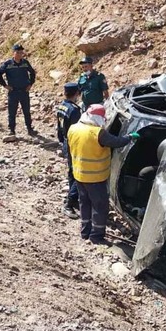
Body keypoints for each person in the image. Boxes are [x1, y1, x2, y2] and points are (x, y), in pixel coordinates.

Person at [67, 104, 139, 244]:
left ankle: (85, 232)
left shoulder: (73, 128)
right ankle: (96, 236)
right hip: (95, 177)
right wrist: (130, 137)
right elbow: (116, 142)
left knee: (85, 203)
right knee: (100, 206)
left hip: (79, 176)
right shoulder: (97, 133)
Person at [0, 44, 37, 136]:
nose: (19, 54)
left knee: (26, 111)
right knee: (12, 112)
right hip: (13, 91)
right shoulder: (8, 64)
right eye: (17, 52)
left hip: (24, 91)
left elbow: (32, 73)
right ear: (13, 53)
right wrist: (5, 85)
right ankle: (12, 130)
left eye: (21, 52)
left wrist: (30, 84)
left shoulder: (25, 63)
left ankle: (30, 129)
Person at [56, 82, 83, 219]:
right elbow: (77, 130)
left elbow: (59, 127)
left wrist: (62, 142)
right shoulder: (74, 110)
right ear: (77, 94)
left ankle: (74, 199)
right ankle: (69, 203)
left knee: (72, 172)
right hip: (74, 143)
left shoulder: (61, 106)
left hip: (66, 142)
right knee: (79, 174)